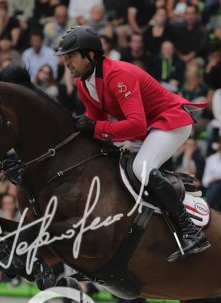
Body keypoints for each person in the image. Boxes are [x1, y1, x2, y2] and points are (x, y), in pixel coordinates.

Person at [57, 25, 209, 260]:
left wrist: (95, 128)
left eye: (71, 55)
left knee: (142, 168)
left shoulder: (118, 75)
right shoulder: (83, 83)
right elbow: (97, 125)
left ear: (90, 55)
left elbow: (134, 125)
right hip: (146, 130)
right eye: (64, 56)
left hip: (170, 121)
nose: (66, 62)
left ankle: (191, 231)